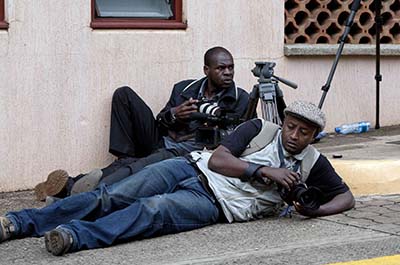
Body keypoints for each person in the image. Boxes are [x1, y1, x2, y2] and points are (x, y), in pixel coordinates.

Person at [0, 100, 355, 256]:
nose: (294, 135)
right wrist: (263, 171)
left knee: (152, 211)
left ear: (314, 136)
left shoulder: (314, 162)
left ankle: (74, 236)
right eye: (292, 126)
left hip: (215, 204)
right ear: (286, 120)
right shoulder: (260, 128)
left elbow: (346, 197)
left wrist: (315, 211)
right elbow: (218, 159)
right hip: (190, 167)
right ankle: (19, 223)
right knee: (110, 195)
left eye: (304, 132)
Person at [34, 46, 251, 201]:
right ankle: (125, 157)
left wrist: (214, 123)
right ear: (206, 69)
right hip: (162, 140)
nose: (228, 73)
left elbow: (239, 140)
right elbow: (161, 120)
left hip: (186, 154)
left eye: (231, 67)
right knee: (124, 94)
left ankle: (71, 187)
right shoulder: (184, 89)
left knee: (137, 166)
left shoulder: (240, 98)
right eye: (221, 68)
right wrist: (175, 114)